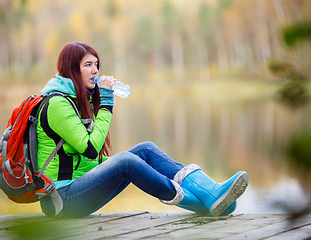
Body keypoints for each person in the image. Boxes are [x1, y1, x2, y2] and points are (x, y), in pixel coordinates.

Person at [37, 42, 249, 218]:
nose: (96, 71)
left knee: (145, 150)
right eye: (88, 65)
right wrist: (107, 102)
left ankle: (210, 193)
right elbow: (91, 149)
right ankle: (204, 204)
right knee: (126, 162)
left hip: (77, 189)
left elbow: (83, 160)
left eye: (96, 65)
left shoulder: (75, 100)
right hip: (61, 200)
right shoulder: (57, 104)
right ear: (72, 69)